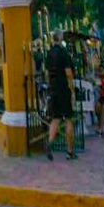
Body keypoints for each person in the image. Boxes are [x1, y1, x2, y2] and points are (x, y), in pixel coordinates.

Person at [45, 31, 76, 161]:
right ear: (61, 38)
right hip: (63, 88)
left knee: (56, 118)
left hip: (53, 89)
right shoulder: (64, 53)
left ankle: (50, 142)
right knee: (68, 118)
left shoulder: (49, 53)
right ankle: (70, 151)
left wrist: (50, 85)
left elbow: (47, 73)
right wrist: (72, 89)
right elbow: (68, 72)